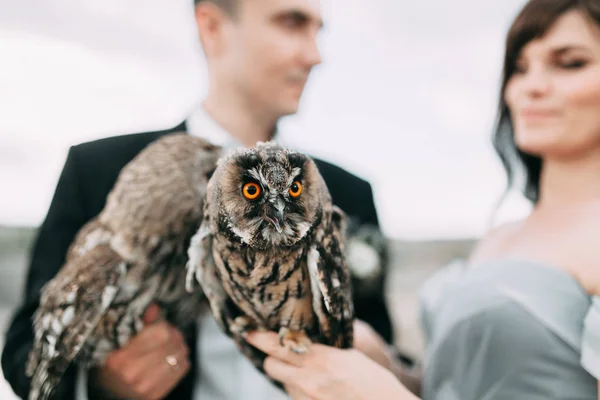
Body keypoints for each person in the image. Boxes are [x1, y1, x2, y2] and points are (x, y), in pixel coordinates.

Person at [1, 0, 397, 399]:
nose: (314, 55)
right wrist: (101, 385)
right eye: (291, 23)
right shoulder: (100, 170)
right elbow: (25, 352)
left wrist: (376, 360)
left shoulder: (344, 192)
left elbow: (381, 348)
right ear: (211, 26)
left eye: (318, 30)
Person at [243, 0, 600, 398]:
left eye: (570, 63)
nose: (530, 86)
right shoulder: (501, 236)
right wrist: (382, 363)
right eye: (519, 68)